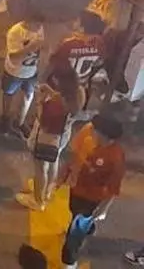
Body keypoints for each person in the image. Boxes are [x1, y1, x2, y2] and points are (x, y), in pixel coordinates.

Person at [59, 114, 125, 268]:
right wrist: (64, 177)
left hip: (92, 200)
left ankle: (69, 261)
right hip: (77, 190)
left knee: (74, 235)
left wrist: (103, 209)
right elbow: (76, 159)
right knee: (75, 215)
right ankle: (88, 227)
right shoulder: (90, 142)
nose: (91, 131)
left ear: (104, 135)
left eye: (95, 130)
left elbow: (113, 188)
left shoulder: (115, 157)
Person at [15, 70, 83, 212]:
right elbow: (64, 101)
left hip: (45, 137)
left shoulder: (55, 106)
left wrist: (40, 102)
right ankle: (47, 192)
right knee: (54, 160)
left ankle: (38, 200)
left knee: (40, 168)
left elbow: (44, 122)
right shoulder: (79, 93)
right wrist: (51, 93)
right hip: (62, 136)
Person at [0, 13, 45, 135]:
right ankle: (5, 120)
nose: (39, 27)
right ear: (28, 21)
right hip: (13, 72)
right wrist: (31, 47)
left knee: (28, 96)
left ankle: (20, 122)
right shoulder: (15, 32)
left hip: (32, 72)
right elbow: (14, 57)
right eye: (37, 24)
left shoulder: (40, 28)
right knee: (8, 95)